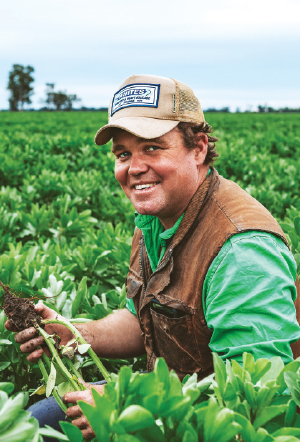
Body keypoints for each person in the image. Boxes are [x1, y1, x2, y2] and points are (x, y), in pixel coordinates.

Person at [5, 74, 300, 440]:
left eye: (153, 148)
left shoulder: (241, 249)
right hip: (171, 398)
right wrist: (76, 334)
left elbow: (256, 393)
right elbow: (144, 321)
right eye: (123, 154)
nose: (134, 167)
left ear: (199, 148)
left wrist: (128, 402)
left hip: (214, 425)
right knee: (37, 419)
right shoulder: (155, 220)